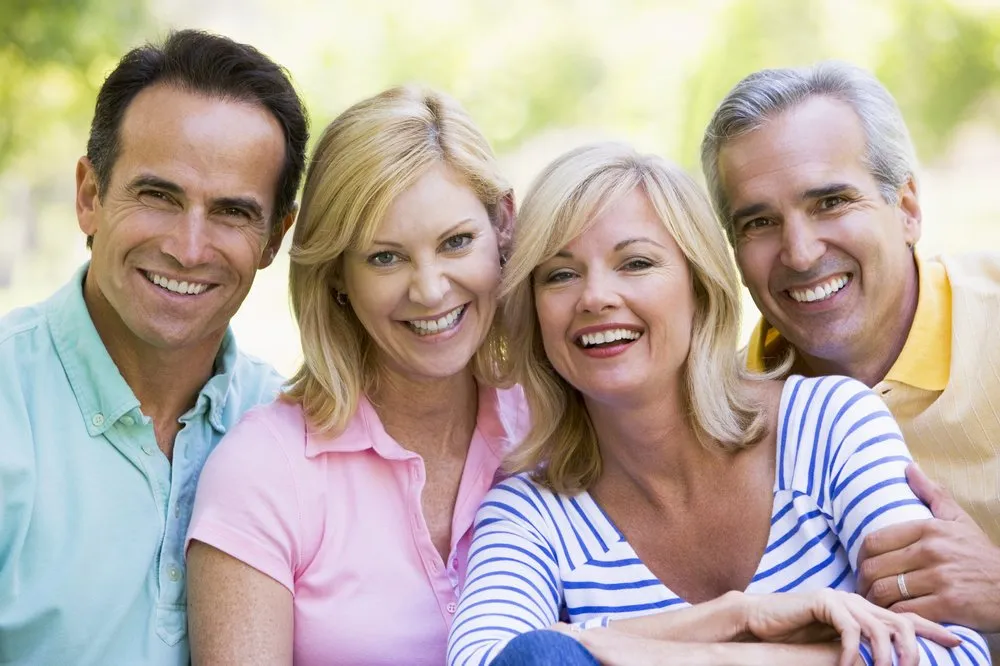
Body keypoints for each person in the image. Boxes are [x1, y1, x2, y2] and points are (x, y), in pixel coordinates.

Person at [447, 142, 989, 666]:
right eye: (561, 275)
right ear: (534, 310)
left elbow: (954, 654)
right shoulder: (530, 514)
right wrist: (735, 619)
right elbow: (495, 662)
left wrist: (646, 651)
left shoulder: (828, 424)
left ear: (699, 287)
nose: (595, 298)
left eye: (635, 263)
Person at [184, 85, 527, 665]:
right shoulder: (264, 471)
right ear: (338, 274)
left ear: (504, 225)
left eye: (456, 242)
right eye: (385, 257)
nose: (430, 290)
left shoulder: (556, 427)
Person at [0, 30, 308, 666]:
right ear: (89, 197)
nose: (188, 249)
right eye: (158, 196)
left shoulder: (292, 432)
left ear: (274, 239)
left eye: (232, 212)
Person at [699, 61, 1000, 652]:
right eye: (760, 222)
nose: (801, 252)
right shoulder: (714, 418)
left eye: (831, 202)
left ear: (907, 207)